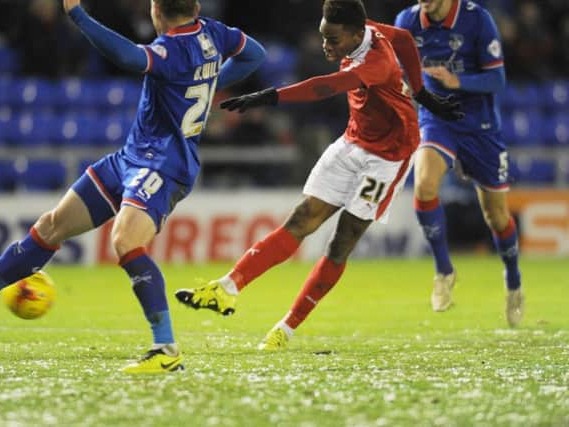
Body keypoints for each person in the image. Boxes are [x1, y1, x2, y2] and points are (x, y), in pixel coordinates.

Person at [0, 0, 265, 373]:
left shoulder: (171, 48)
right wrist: (212, 80)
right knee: (50, 226)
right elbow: (255, 54)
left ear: (157, 11)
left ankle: (166, 350)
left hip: (163, 166)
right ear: (195, 6)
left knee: (125, 242)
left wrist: (78, 15)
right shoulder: (212, 31)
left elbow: (129, 57)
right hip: (130, 158)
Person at [175, 0, 461, 350]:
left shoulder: (376, 62)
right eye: (323, 35)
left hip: (388, 157)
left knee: (341, 242)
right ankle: (226, 288)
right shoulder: (364, 30)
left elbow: (325, 87)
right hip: (353, 141)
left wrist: (272, 96)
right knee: (301, 218)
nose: (326, 45)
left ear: (356, 35)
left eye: (333, 39)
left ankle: (287, 327)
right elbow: (403, 36)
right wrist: (421, 94)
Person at [394, 0, 523, 326]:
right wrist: (405, 83)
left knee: (496, 215)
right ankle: (443, 271)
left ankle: (513, 282)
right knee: (423, 185)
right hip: (438, 121)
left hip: (479, 127)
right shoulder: (407, 21)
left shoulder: (477, 20)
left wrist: (458, 82)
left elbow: (497, 80)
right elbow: (398, 72)